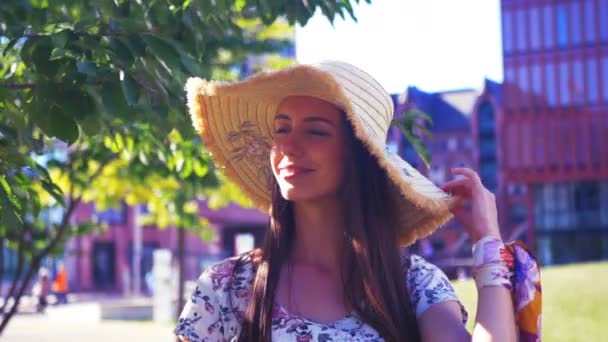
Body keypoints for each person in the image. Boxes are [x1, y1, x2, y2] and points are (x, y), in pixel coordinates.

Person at [174, 61, 541, 341]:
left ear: (360, 158)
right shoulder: (227, 286)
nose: (287, 145)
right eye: (281, 128)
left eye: (316, 131)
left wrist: (488, 245)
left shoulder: (413, 284)